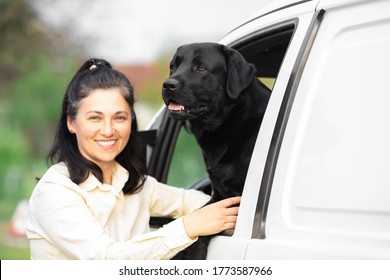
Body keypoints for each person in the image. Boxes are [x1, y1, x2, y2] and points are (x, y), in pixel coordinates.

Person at [26, 58, 240, 260]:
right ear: (71, 123)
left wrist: (242, 213)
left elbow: (188, 202)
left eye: (119, 117)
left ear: (131, 121)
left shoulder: (134, 183)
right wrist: (188, 227)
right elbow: (105, 259)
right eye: (95, 118)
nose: (108, 130)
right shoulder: (55, 191)